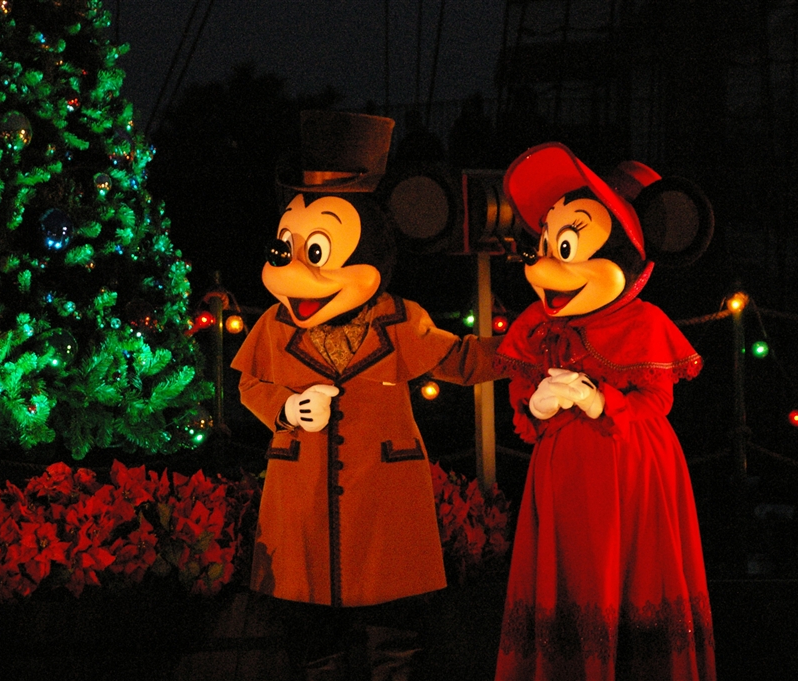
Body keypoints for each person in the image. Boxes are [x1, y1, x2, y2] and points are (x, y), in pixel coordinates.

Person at [230, 110, 503, 680]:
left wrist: (530, 352)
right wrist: (286, 407)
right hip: (303, 497)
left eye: (316, 253)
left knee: (393, 632)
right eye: (285, 252)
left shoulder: (400, 320)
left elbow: (459, 360)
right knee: (311, 636)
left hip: (383, 497)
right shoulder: (275, 327)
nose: (294, 272)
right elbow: (249, 384)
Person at [493, 142, 717, 680]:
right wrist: (535, 405)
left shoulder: (644, 323)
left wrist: (599, 399)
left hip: (630, 465)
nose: (545, 266)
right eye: (545, 245)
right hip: (563, 468)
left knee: (631, 575)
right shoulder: (537, 325)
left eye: (567, 247)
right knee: (568, 575)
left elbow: (656, 401)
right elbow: (522, 398)